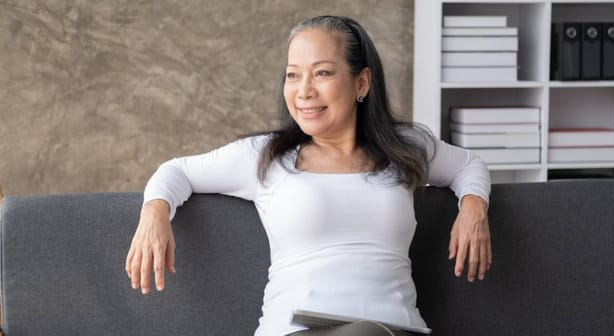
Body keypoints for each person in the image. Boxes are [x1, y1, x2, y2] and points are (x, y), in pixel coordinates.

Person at [125, 15, 492, 336]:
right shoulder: (265, 157)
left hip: (393, 329)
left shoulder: (405, 148)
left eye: (322, 73)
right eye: (292, 75)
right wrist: (154, 213)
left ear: (361, 83)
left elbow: (468, 165)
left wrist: (473, 208)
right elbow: (177, 171)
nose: (304, 91)